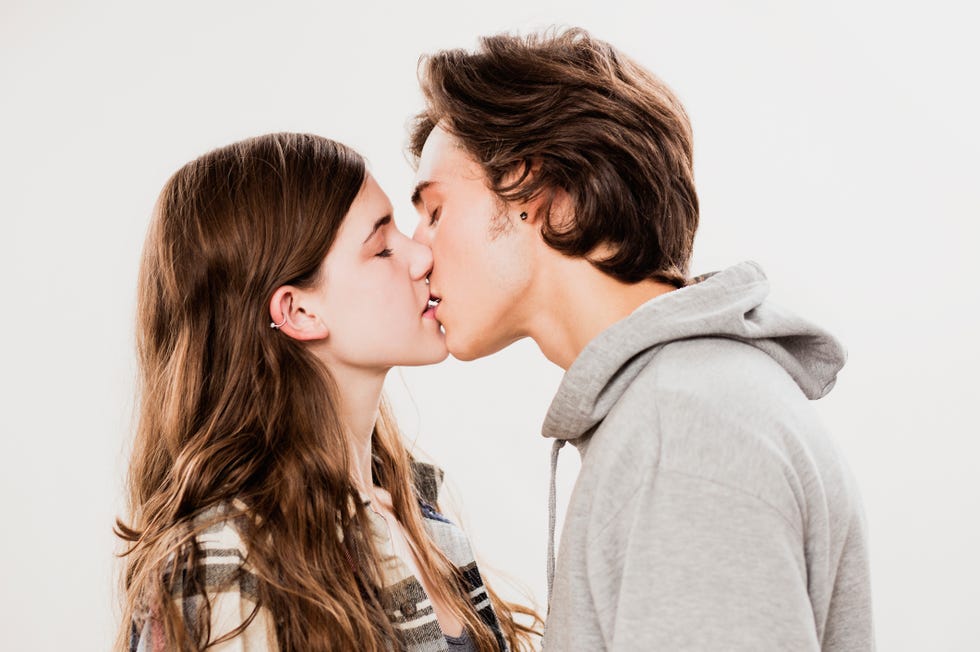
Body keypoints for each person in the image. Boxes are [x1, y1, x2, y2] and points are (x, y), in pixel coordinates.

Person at [408, 29, 874, 651]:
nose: (416, 253)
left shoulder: (679, 435)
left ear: (541, 195)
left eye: (435, 211)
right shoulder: (682, 406)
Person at [116, 133, 540, 652]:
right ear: (298, 312)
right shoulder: (227, 561)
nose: (421, 257)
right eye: (382, 247)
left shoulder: (421, 518)